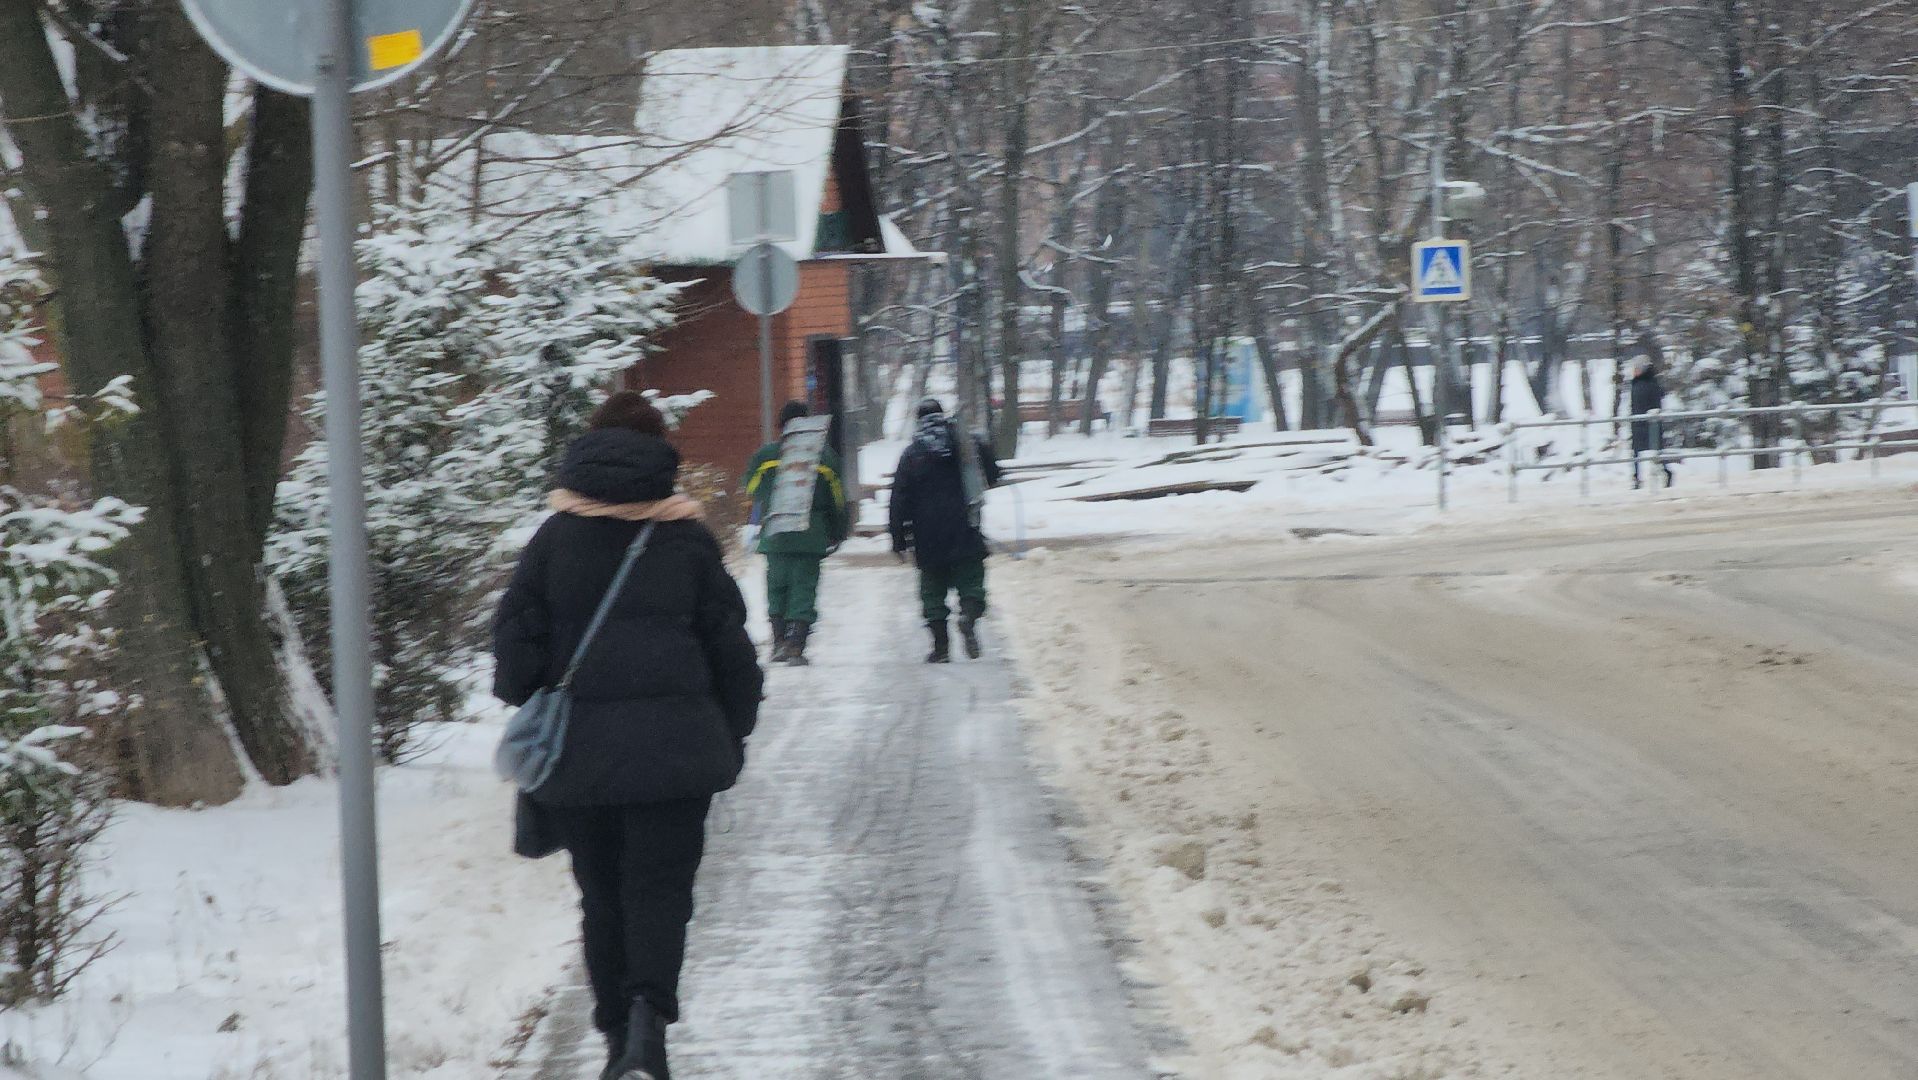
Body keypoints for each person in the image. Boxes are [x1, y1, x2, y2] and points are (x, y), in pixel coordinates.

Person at [493, 390, 763, 1080]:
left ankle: (617, 1040)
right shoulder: (687, 541)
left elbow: (514, 660)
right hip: (677, 756)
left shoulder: (552, 541)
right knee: (661, 889)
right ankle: (649, 1019)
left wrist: (545, 690)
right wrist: (728, 734)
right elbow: (731, 651)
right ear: (660, 454)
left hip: (582, 760)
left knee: (602, 894)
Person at [889, 398, 1003, 663]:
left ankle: (940, 649)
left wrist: (899, 539)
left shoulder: (912, 454)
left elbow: (899, 500)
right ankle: (968, 616)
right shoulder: (966, 444)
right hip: (966, 528)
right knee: (972, 582)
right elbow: (993, 474)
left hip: (927, 536)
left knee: (932, 592)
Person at [742, 401, 852, 666]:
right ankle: (795, 644)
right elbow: (838, 500)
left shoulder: (765, 456)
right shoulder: (824, 457)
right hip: (810, 535)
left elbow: (751, 489)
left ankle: (778, 640)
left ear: (782, 427)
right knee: (803, 589)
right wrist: (838, 532)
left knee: (777, 587)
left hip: (775, 534)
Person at [1628, 359, 1675, 489]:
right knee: (1637, 452)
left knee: (1656, 451)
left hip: (1649, 423)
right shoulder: (1638, 385)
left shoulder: (1649, 385)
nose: (1634, 372)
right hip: (1639, 423)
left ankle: (1666, 472)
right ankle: (1637, 478)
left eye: (1636, 369)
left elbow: (1655, 402)